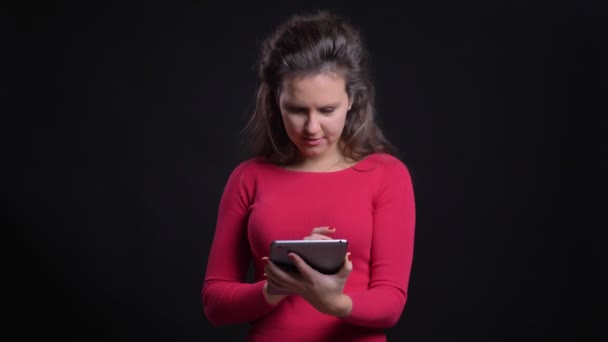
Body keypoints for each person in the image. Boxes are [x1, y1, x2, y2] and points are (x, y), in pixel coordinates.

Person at [201, 10, 416, 342]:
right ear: (277, 101)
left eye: (327, 110)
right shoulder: (248, 178)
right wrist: (276, 287)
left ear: (352, 101)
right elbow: (215, 302)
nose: (312, 128)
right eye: (297, 110)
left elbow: (390, 302)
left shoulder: (386, 175)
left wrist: (332, 301)